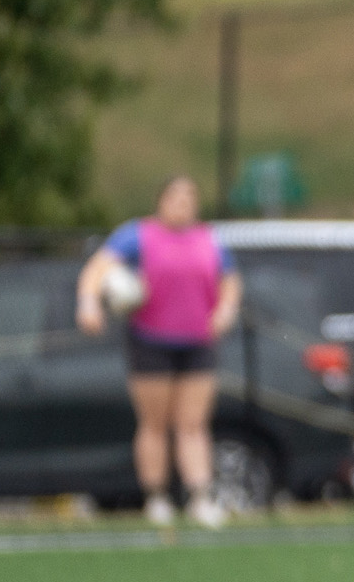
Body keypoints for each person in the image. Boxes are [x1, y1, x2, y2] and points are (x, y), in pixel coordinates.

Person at [76, 175, 243, 528]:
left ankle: (199, 496)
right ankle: (157, 497)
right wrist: (89, 304)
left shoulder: (208, 239)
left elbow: (229, 281)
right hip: (151, 341)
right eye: (176, 197)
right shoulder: (137, 235)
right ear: (161, 200)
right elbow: (97, 270)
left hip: (197, 341)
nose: (183, 204)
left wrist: (225, 311)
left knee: (193, 423)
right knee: (155, 423)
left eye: (190, 197)